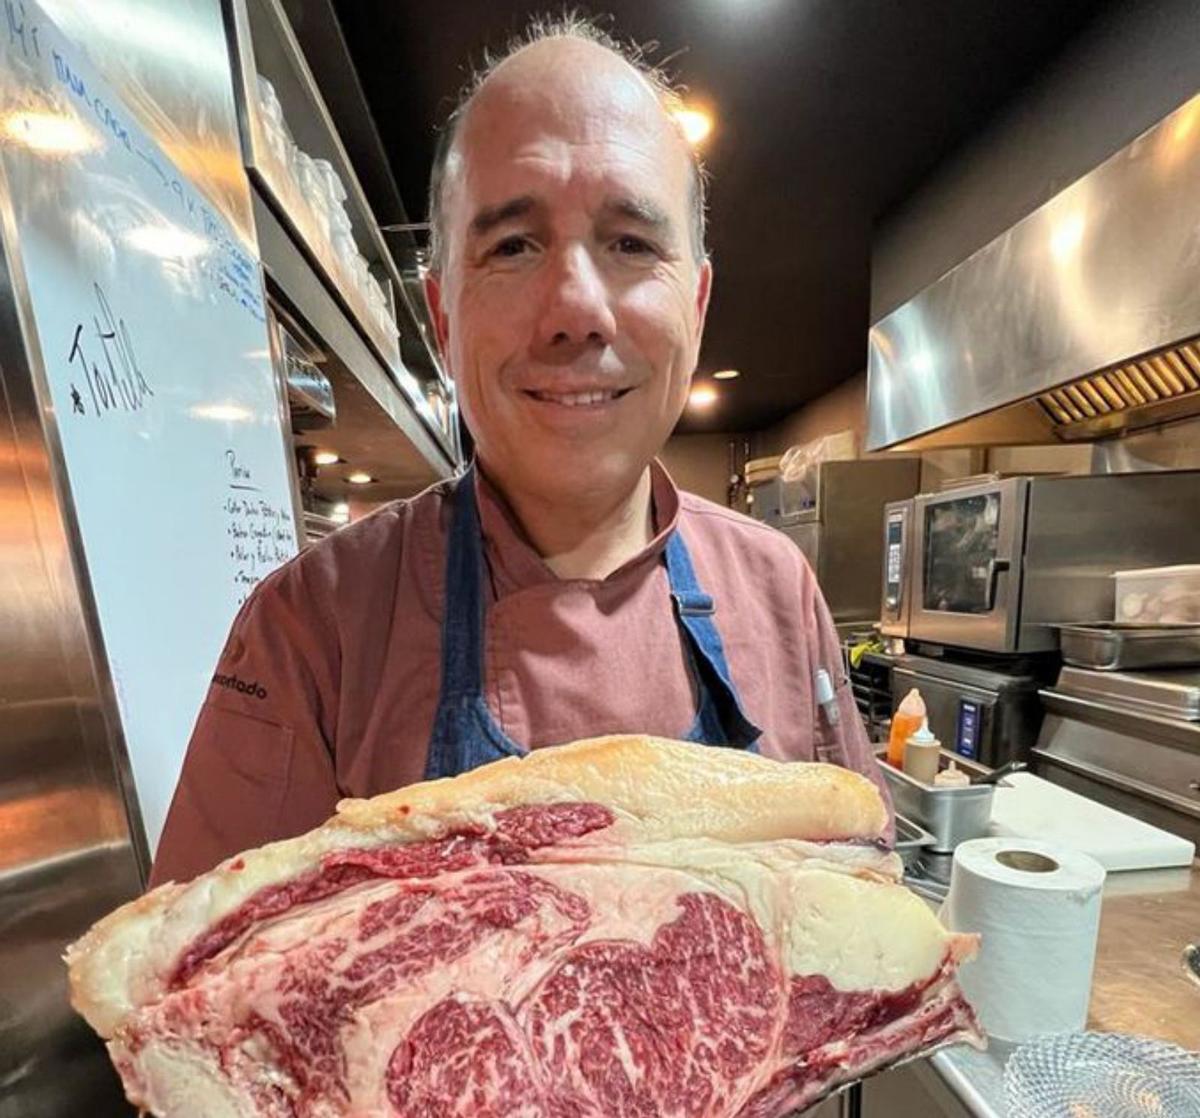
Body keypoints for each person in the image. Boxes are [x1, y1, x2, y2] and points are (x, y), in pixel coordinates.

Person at [150, 17, 890, 886]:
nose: (576, 309)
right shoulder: (312, 631)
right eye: (512, 245)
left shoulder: (778, 591)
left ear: (695, 302)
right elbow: (198, 988)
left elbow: (862, 903)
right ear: (442, 313)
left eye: (630, 244)